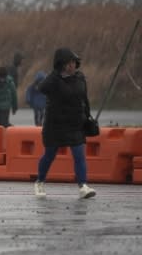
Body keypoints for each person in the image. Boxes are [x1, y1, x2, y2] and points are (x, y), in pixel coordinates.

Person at [34, 48, 96, 199]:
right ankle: (39, 182)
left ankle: (83, 186)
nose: (72, 66)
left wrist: (88, 117)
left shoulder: (80, 78)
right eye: (68, 63)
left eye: (74, 63)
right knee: (49, 155)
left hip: (75, 123)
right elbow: (41, 88)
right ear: (60, 64)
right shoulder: (54, 80)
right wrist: (55, 73)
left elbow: (84, 100)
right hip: (55, 125)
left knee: (79, 154)